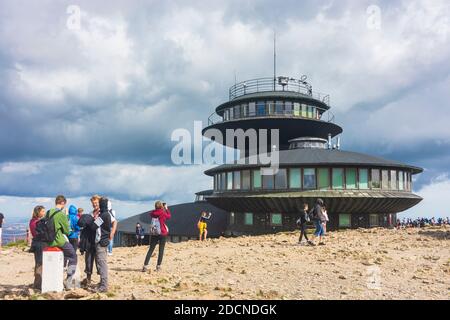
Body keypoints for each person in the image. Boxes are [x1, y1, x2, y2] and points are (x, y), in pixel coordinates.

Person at [46, 195, 78, 289]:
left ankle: (57, 277)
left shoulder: (48, 212)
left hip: (48, 241)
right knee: (73, 256)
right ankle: (68, 280)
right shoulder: (61, 214)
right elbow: (67, 231)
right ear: (63, 203)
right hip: (58, 240)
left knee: (64, 257)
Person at [142, 201, 171, 272]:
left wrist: (158, 209)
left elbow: (153, 213)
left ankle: (145, 266)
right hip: (162, 233)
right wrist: (166, 209)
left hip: (154, 233)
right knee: (161, 250)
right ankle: (158, 267)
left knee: (151, 249)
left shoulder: (152, 213)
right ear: (161, 206)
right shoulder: (163, 213)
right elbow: (169, 216)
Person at [92, 197, 112, 292]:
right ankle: (102, 283)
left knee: (102, 264)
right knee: (102, 263)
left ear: (101, 205)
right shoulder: (107, 214)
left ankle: (103, 286)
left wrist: (95, 217)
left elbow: (93, 226)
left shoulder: (103, 215)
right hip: (105, 240)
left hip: (101, 242)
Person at [29, 205, 46, 289]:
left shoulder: (32, 221)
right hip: (40, 243)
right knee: (40, 263)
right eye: (43, 211)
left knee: (38, 263)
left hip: (35, 243)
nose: (44, 213)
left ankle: (37, 282)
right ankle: (38, 284)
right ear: (38, 212)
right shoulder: (38, 222)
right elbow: (41, 233)